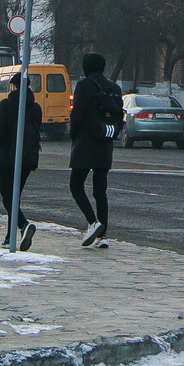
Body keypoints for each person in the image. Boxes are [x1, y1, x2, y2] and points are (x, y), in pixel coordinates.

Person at [68, 53, 126, 247]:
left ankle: (93, 223)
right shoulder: (114, 88)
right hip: (105, 143)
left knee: (76, 185)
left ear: (87, 67)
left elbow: (77, 114)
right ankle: (103, 237)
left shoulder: (84, 85)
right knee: (100, 190)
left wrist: (73, 134)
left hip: (86, 142)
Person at [0, 76, 44, 250]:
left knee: (8, 196)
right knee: (15, 196)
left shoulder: (5, 105)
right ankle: (9, 236)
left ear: (13, 87)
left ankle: (23, 224)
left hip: (7, 158)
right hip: (28, 158)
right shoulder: (35, 108)